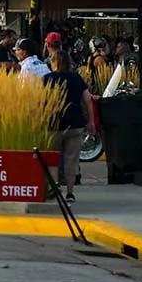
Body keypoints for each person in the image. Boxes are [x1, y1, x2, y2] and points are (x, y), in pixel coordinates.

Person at [45, 50, 92, 201]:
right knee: (72, 160)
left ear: (53, 63)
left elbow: (39, 102)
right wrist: (91, 121)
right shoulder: (76, 78)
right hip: (75, 124)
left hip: (53, 124)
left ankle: (55, 186)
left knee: (53, 158)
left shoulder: (46, 79)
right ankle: (70, 193)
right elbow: (88, 100)